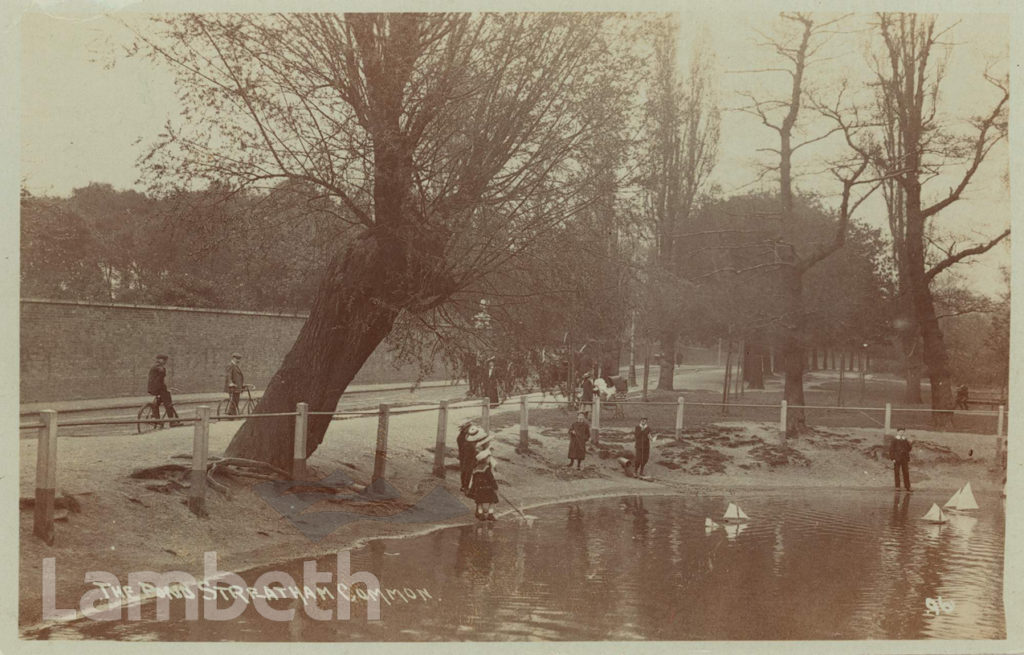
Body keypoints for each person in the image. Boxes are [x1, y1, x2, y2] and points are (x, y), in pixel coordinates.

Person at [465, 426, 499, 521]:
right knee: (489, 499)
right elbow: (490, 477)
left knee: (479, 499)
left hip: (479, 481)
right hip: (485, 481)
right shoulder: (476, 450)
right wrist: (495, 485)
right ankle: (487, 513)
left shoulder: (477, 467)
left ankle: (480, 514)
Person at [147, 354, 181, 428]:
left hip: (151, 388)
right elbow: (160, 381)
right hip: (158, 388)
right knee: (168, 403)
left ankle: (156, 418)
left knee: (157, 402)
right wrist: (166, 389)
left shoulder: (154, 366)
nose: (165, 362)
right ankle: (172, 422)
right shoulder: (160, 368)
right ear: (161, 360)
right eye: (165, 360)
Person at [456, 420, 477, 494]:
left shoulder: (465, 435)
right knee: (467, 471)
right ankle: (465, 487)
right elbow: (465, 447)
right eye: (468, 427)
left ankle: (465, 486)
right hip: (466, 456)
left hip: (466, 456)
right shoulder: (462, 437)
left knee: (466, 471)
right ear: (465, 429)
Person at [889, 427, 913, 492]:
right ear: (897, 432)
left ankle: (908, 487)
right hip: (897, 458)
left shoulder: (905, 440)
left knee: (906, 472)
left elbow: (909, 449)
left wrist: (910, 443)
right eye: (900, 432)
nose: (901, 433)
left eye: (903, 432)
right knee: (897, 472)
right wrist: (892, 458)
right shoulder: (894, 440)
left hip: (904, 459)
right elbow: (891, 450)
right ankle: (897, 487)